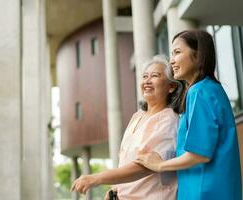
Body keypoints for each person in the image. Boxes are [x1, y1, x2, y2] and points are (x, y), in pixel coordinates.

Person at [135, 30, 242, 200]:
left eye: (177, 52)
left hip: (204, 193)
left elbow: (199, 154)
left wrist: (160, 165)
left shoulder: (199, 91)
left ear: (198, 55)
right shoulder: (212, 89)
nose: (172, 61)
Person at [71, 55, 184, 199]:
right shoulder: (138, 116)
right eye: (144, 76)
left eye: (155, 76)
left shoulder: (168, 120)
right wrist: (115, 190)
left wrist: (97, 178)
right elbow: (126, 161)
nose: (147, 81)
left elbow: (145, 166)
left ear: (171, 87)